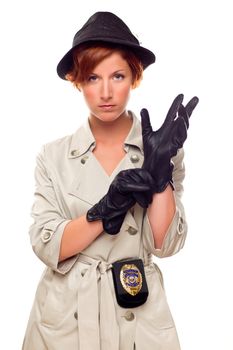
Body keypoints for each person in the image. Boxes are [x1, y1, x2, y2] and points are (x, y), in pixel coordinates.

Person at [22, 11, 198, 350]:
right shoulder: (53, 155)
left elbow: (164, 245)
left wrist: (161, 175)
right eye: (92, 78)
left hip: (136, 307)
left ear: (135, 76)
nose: (106, 92)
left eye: (117, 76)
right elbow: (45, 244)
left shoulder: (161, 150)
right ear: (77, 81)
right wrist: (106, 210)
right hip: (68, 313)